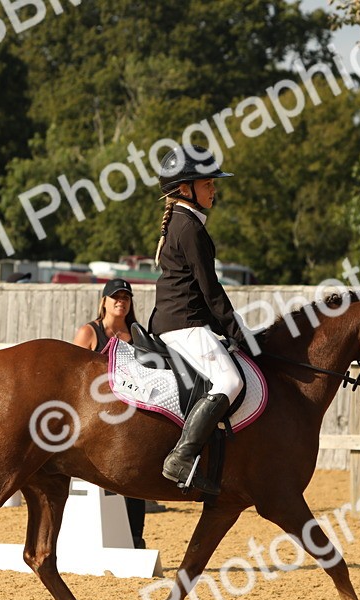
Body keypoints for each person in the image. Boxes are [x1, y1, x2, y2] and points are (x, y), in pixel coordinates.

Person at [149, 145, 246, 495]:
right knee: (230, 382)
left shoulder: (183, 221)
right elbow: (211, 290)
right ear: (186, 188)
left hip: (179, 321)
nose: (214, 190)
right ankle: (183, 456)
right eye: (208, 184)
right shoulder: (189, 227)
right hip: (184, 325)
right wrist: (240, 333)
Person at [72, 278, 150, 548]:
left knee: (136, 473)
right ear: (103, 301)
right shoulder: (89, 333)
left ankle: (135, 539)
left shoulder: (138, 334)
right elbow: (72, 379)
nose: (121, 301)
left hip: (130, 415)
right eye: (115, 296)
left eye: (126, 297)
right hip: (95, 414)